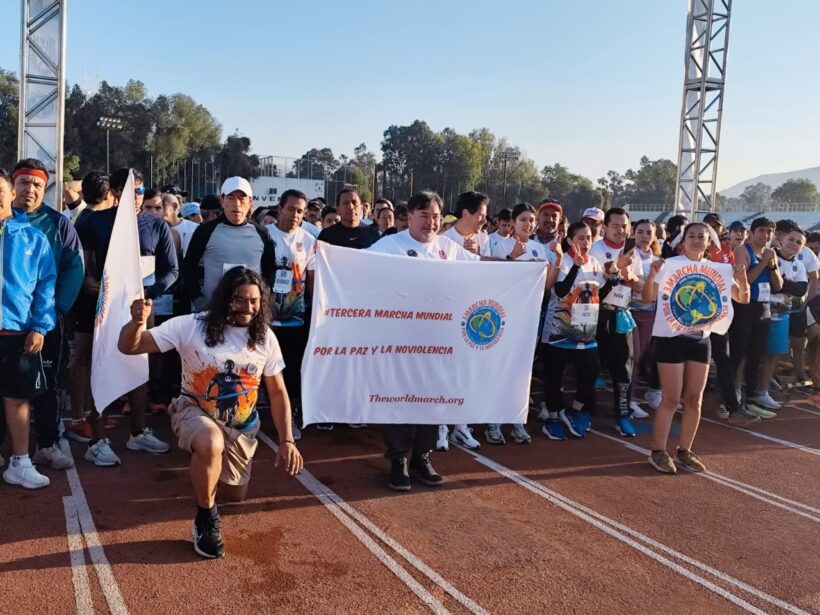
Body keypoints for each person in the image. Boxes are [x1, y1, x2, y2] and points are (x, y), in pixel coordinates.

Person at [118, 267, 303, 558]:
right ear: (225, 298)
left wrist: (287, 439)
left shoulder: (264, 336)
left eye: (254, 301)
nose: (248, 308)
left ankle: (205, 467)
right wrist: (136, 323)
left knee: (235, 495)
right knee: (210, 442)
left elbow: (278, 392)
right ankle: (205, 519)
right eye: (240, 300)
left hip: (241, 426)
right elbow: (131, 346)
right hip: (194, 410)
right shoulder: (191, 326)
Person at [368, 191, 480, 491]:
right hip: (399, 342)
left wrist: (525, 267)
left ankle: (422, 456)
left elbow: (483, 270)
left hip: (439, 344)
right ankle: (398, 460)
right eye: (424, 215)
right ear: (409, 216)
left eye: (436, 216)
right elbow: (358, 270)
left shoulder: (449, 248)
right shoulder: (389, 246)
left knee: (433, 399)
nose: (431, 222)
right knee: (399, 399)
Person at [71, 169, 178, 464]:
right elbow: (77, 261)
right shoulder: (94, 222)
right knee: (101, 366)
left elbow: (171, 270)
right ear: (115, 192)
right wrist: (85, 281)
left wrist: (148, 292)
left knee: (138, 367)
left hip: (141, 308)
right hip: (103, 309)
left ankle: (138, 432)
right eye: (129, 190)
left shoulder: (156, 225)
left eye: (140, 191)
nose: (135, 196)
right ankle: (97, 440)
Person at [642, 222, 750, 474]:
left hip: (701, 340)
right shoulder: (669, 265)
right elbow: (647, 297)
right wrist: (651, 275)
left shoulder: (717, 269)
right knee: (671, 398)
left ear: (709, 242)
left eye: (702, 237)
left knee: (694, 399)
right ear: (683, 241)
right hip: (671, 339)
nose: (697, 240)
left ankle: (684, 450)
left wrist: (742, 279)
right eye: (692, 236)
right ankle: (658, 451)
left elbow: (743, 298)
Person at [9, 159, 83, 471]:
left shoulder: (58, 223)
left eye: (37, 184)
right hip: (7, 322)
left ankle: (48, 444)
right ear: (13, 185)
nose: (30, 189)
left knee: (46, 384)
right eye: (24, 182)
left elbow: (74, 269)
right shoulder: (4, 220)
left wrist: (55, 311)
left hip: (45, 321)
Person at [0, 167, 57, 488]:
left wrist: (40, 326)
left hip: (18, 333)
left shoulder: (34, 238)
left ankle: (20, 462)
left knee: (17, 398)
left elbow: (45, 287)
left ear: (11, 194)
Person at [486, 202, 556, 445]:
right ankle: (493, 421)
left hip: (530, 317)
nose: (528, 224)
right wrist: (511, 257)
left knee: (522, 370)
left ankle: (517, 419)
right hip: (505, 316)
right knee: (501, 367)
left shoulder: (539, 249)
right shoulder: (501, 246)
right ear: (513, 223)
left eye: (531, 220)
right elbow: (494, 280)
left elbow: (547, 285)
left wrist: (556, 262)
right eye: (523, 219)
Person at [313, 188, 380, 430]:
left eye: (354, 202)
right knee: (333, 361)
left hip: (363, 311)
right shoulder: (327, 235)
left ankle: (355, 410)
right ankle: (328, 411)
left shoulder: (373, 235)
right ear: (338, 207)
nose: (350, 207)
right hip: (334, 310)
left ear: (362, 206)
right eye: (345, 203)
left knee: (359, 361)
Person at [540, 222, 605, 440]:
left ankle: (573, 410)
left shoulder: (595, 262)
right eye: (581, 238)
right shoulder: (563, 260)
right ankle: (552, 418)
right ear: (570, 240)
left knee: (591, 370)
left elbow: (599, 294)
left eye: (589, 238)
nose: (586, 243)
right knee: (555, 375)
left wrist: (614, 280)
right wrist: (576, 266)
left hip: (586, 330)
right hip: (560, 328)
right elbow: (560, 291)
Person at [440, 191, 492, 451]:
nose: (484, 220)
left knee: (467, 371)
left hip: (473, 314)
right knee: (444, 371)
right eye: (480, 215)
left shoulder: (484, 239)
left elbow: (489, 272)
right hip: (447, 315)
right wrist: (464, 256)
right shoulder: (444, 239)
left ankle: (461, 426)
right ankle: (439, 425)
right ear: (465, 213)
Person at [183, 177, 276, 312]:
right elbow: (188, 267)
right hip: (214, 311)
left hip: (249, 312)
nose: (236, 204)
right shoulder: (205, 231)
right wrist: (199, 300)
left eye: (242, 198)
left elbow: (270, 271)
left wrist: (264, 300)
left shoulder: (262, 233)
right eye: (231, 198)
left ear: (250, 202)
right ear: (222, 201)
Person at [265, 189, 315, 440]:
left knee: (292, 369)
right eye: (291, 209)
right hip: (266, 316)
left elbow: (312, 279)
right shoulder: (264, 235)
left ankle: (290, 416)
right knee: (264, 367)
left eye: (300, 211)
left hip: (296, 318)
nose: (295, 215)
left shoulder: (309, 240)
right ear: (280, 209)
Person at [589, 207, 642, 437]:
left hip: (622, 313)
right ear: (605, 228)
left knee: (624, 367)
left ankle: (622, 413)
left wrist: (633, 278)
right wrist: (618, 268)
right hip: (597, 314)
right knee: (591, 365)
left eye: (624, 226)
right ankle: (584, 410)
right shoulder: (596, 248)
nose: (621, 230)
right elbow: (599, 279)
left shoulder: (632, 251)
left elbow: (639, 284)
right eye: (615, 226)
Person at [729, 217, 783, 421]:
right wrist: (763, 262)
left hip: (764, 308)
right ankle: (734, 395)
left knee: (755, 355)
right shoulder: (742, 250)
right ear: (751, 233)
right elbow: (746, 280)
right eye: (761, 231)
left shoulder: (770, 254)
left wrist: (772, 265)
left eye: (769, 232)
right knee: (739, 353)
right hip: (744, 307)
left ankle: (752, 396)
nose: (766, 236)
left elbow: (778, 286)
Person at [756, 224, 809, 403]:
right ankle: (742, 389)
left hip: (782, 314)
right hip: (760, 311)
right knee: (752, 352)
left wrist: (782, 283)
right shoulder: (768, 257)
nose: (794, 244)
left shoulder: (799, 266)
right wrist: (784, 285)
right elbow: (769, 285)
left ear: (802, 247)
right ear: (781, 239)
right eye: (791, 239)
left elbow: (801, 289)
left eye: (798, 242)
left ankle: (762, 391)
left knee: (774, 354)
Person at [627, 220, 661, 419]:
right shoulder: (629, 255)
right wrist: (648, 285)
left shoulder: (658, 260)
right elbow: (636, 285)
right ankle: (628, 401)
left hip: (650, 314)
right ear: (634, 233)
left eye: (649, 232)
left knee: (642, 358)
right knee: (634, 356)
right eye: (640, 232)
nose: (644, 236)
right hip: (630, 311)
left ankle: (637, 396)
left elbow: (660, 288)